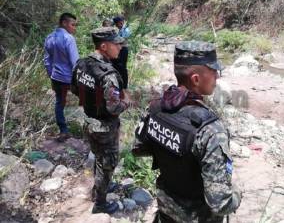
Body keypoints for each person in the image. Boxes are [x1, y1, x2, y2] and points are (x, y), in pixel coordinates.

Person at [133, 41, 242, 223]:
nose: (217, 77)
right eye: (213, 72)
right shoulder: (210, 130)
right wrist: (238, 194)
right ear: (196, 79)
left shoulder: (155, 108)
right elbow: (220, 204)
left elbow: (138, 149)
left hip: (166, 211)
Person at [71, 27, 130, 214]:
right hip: (105, 127)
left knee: (98, 157)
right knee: (108, 163)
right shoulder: (108, 75)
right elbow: (113, 108)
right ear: (104, 46)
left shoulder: (82, 64)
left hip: (88, 121)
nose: (120, 47)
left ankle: (98, 190)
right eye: (116, 44)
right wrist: (126, 103)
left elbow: (74, 89)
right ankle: (100, 204)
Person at [44, 13, 79, 141]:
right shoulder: (68, 38)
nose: (74, 28)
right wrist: (79, 78)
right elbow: (75, 62)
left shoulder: (49, 37)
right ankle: (94, 128)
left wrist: (51, 74)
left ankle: (63, 130)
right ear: (64, 23)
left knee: (59, 103)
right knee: (87, 99)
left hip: (56, 77)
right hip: (69, 78)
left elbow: (47, 60)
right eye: (72, 25)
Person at [112, 15, 131, 89]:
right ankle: (118, 84)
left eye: (117, 24)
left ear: (121, 22)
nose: (117, 26)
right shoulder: (120, 30)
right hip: (119, 49)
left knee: (123, 67)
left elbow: (122, 40)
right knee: (117, 66)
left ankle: (124, 86)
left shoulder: (126, 30)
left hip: (123, 50)